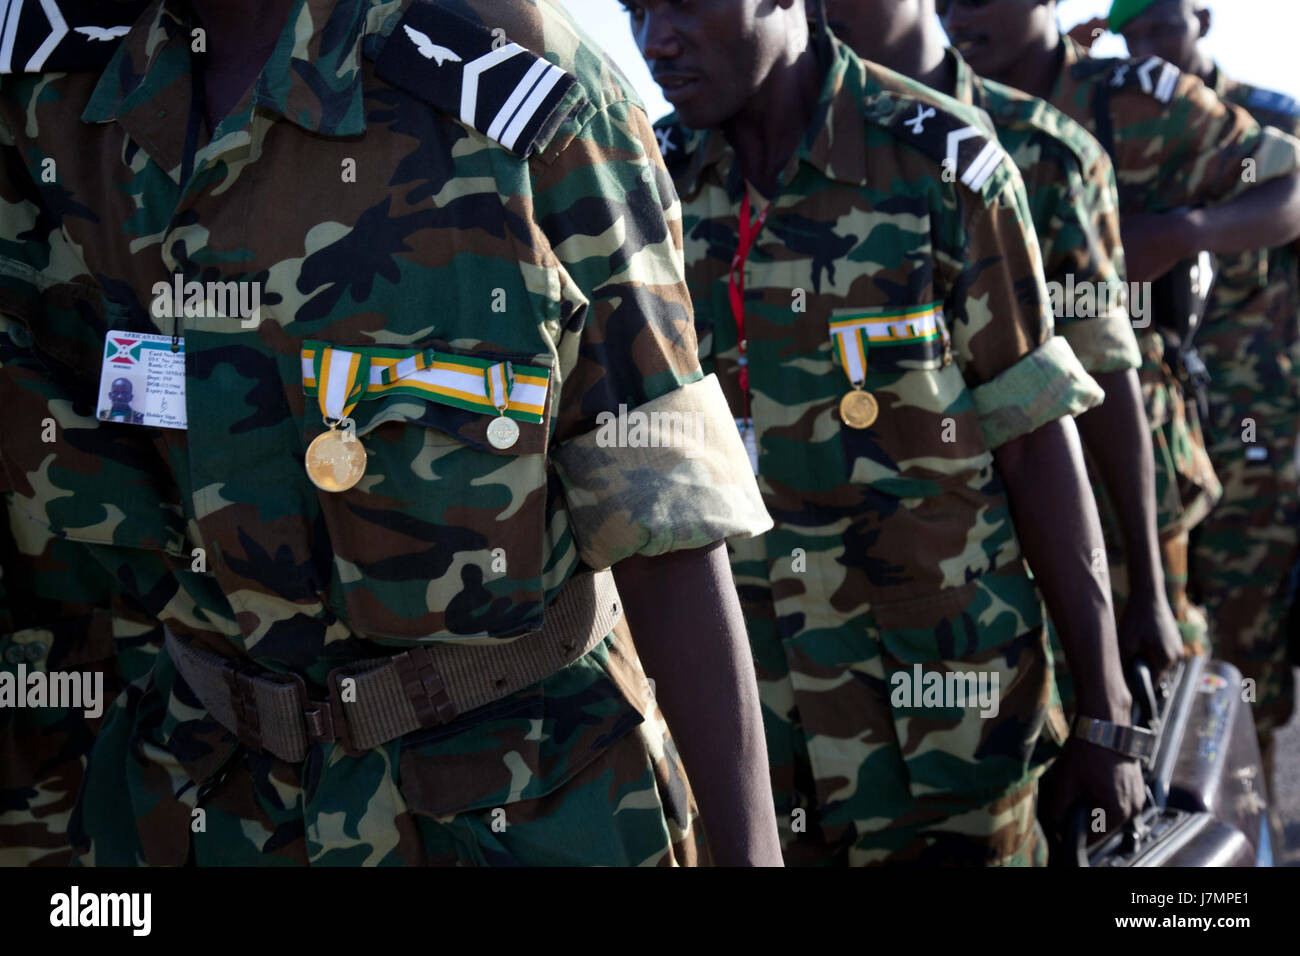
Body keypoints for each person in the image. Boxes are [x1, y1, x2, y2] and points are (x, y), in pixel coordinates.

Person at [0, 0, 783, 866]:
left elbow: (664, 522)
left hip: (526, 806)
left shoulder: (515, 85)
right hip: (198, 808)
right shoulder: (48, 99)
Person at [626, 0, 1145, 865]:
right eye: (633, 10)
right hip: (749, 745)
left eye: (683, 4)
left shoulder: (943, 161)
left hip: (947, 729)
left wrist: (1105, 704)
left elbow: (1034, 438)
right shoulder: (649, 186)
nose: (654, 41)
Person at [826, 0, 1180, 719]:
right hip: (911, 586)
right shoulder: (794, 148)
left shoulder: (1036, 148)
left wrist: (1148, 588)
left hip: (1073, 546)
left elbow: (1106, 376)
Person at [940, 0, 1300, 688]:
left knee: (1157, 673)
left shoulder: (1135, 101)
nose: (959, 17)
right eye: (944, 3)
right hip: (984, 453)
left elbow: (1285, 184)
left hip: (1128, 443)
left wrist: (1183, 231)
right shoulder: (932, 113)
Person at [1110, 0, 1300, 779]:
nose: (1151, 44)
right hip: (1154, 423)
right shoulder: (1117, 117)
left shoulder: (1264, 121)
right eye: (1135, 33)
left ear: (1203, 20)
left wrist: (1188, 229)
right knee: (1176, 617)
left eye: (1163, 26)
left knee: (1254, 621)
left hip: (1257, 417)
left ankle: (1249, 797)